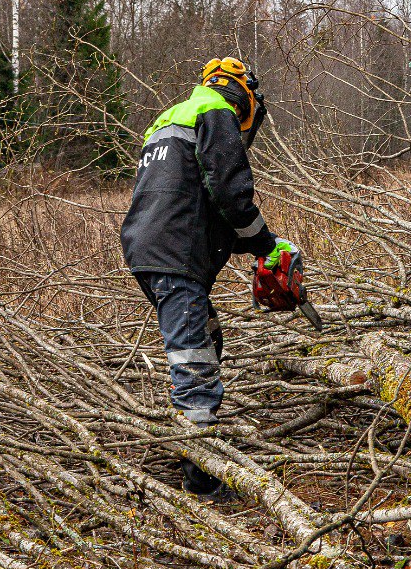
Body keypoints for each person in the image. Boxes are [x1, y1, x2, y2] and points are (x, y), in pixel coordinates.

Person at [121, 57, 296, 495]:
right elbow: (230, 194)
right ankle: (201, 478)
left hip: (148, 248)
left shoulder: (169, 117)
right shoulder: (215, 111)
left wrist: (256, 245)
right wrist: (267, 247)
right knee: (193, 360)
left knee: (206, 338)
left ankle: (188, 442)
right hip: (175, 254)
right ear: (246, 98)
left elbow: (195, 202)